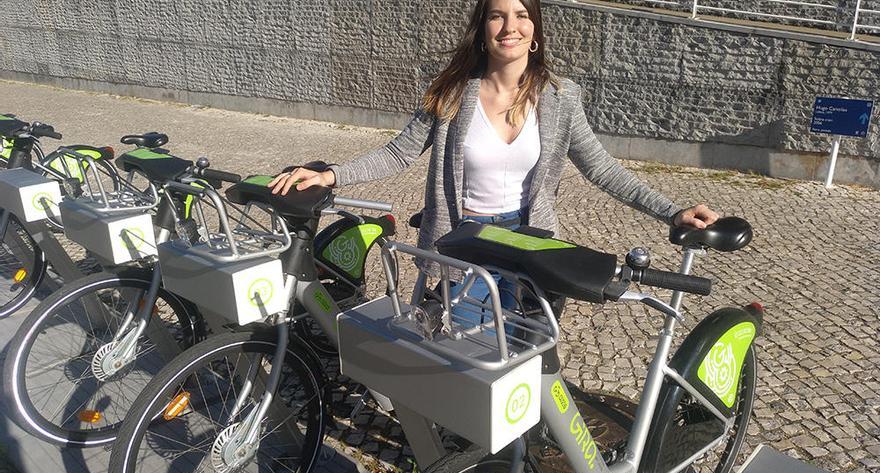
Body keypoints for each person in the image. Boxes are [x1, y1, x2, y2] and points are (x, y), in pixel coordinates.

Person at [268, 0, 718, 326]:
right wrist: (329, 174)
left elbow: (600, 167)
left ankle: (515, 453)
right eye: (497, 15)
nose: (510, 25)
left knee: (525, 344)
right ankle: (461, 454)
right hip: (466, 240)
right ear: (483, 29)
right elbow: (398, 151)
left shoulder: (561, 97)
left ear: (535, 29)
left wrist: (671, 211)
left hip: (528, 243)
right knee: (462, 346)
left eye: (522, 14)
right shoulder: (451, 92)